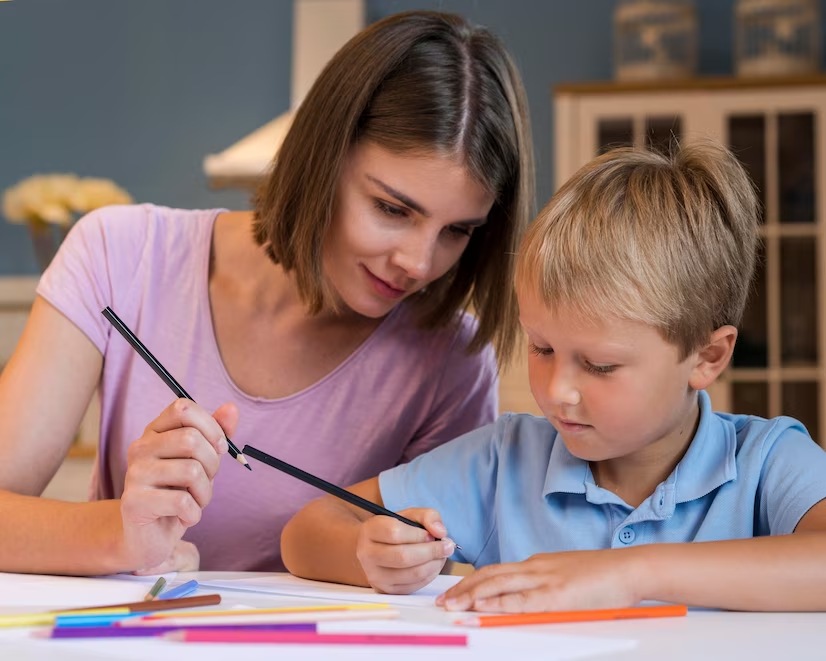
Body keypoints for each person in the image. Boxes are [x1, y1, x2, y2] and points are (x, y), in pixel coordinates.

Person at [0, 10, 534, 575]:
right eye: (392, 209)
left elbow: (441, 575)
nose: (419, 263)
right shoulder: (119, 255)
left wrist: (397, 562)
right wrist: (121, 536)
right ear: (323, 158)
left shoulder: (451, 361)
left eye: (458, 231)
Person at [281, 141, 826, 612]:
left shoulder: (767, 461)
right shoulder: (502, 462)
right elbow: (308, 531)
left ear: (707, 356)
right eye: (541, 347)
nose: (557, 391)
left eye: (600, 365)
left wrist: (630, 575)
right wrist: (371, 557)